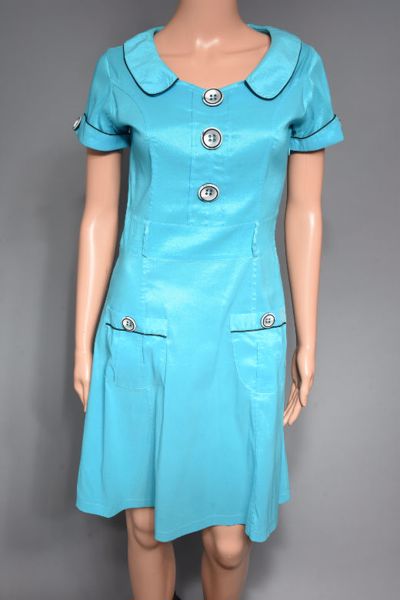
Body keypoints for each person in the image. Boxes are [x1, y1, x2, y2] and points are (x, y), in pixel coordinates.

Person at [72, 2, 344, 599]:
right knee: (145, 526)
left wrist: (308, 338)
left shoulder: (297, 71)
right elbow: (98, 214)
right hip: (145, 319)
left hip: (243, 319)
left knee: (229, 542)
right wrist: (82, 344)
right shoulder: (121, 70)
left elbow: (306, 211)